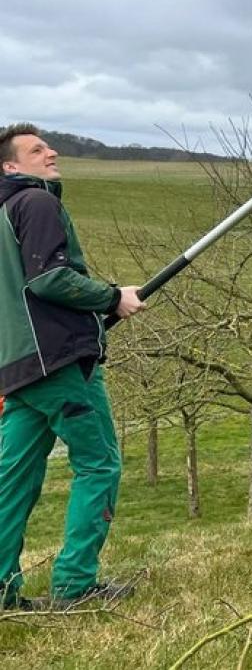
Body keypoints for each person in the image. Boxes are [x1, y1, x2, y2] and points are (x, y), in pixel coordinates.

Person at [0, 124, 145, 611]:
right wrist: (111, 297)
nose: (51, 152)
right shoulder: (36, 202)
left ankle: (2, 589)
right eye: (36, 149)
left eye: (48, 145)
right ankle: (75, 584)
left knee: (13, 480)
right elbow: (51, 278)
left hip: (17, 370)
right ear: (10, 167)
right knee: (99, 463)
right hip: (57, 364)